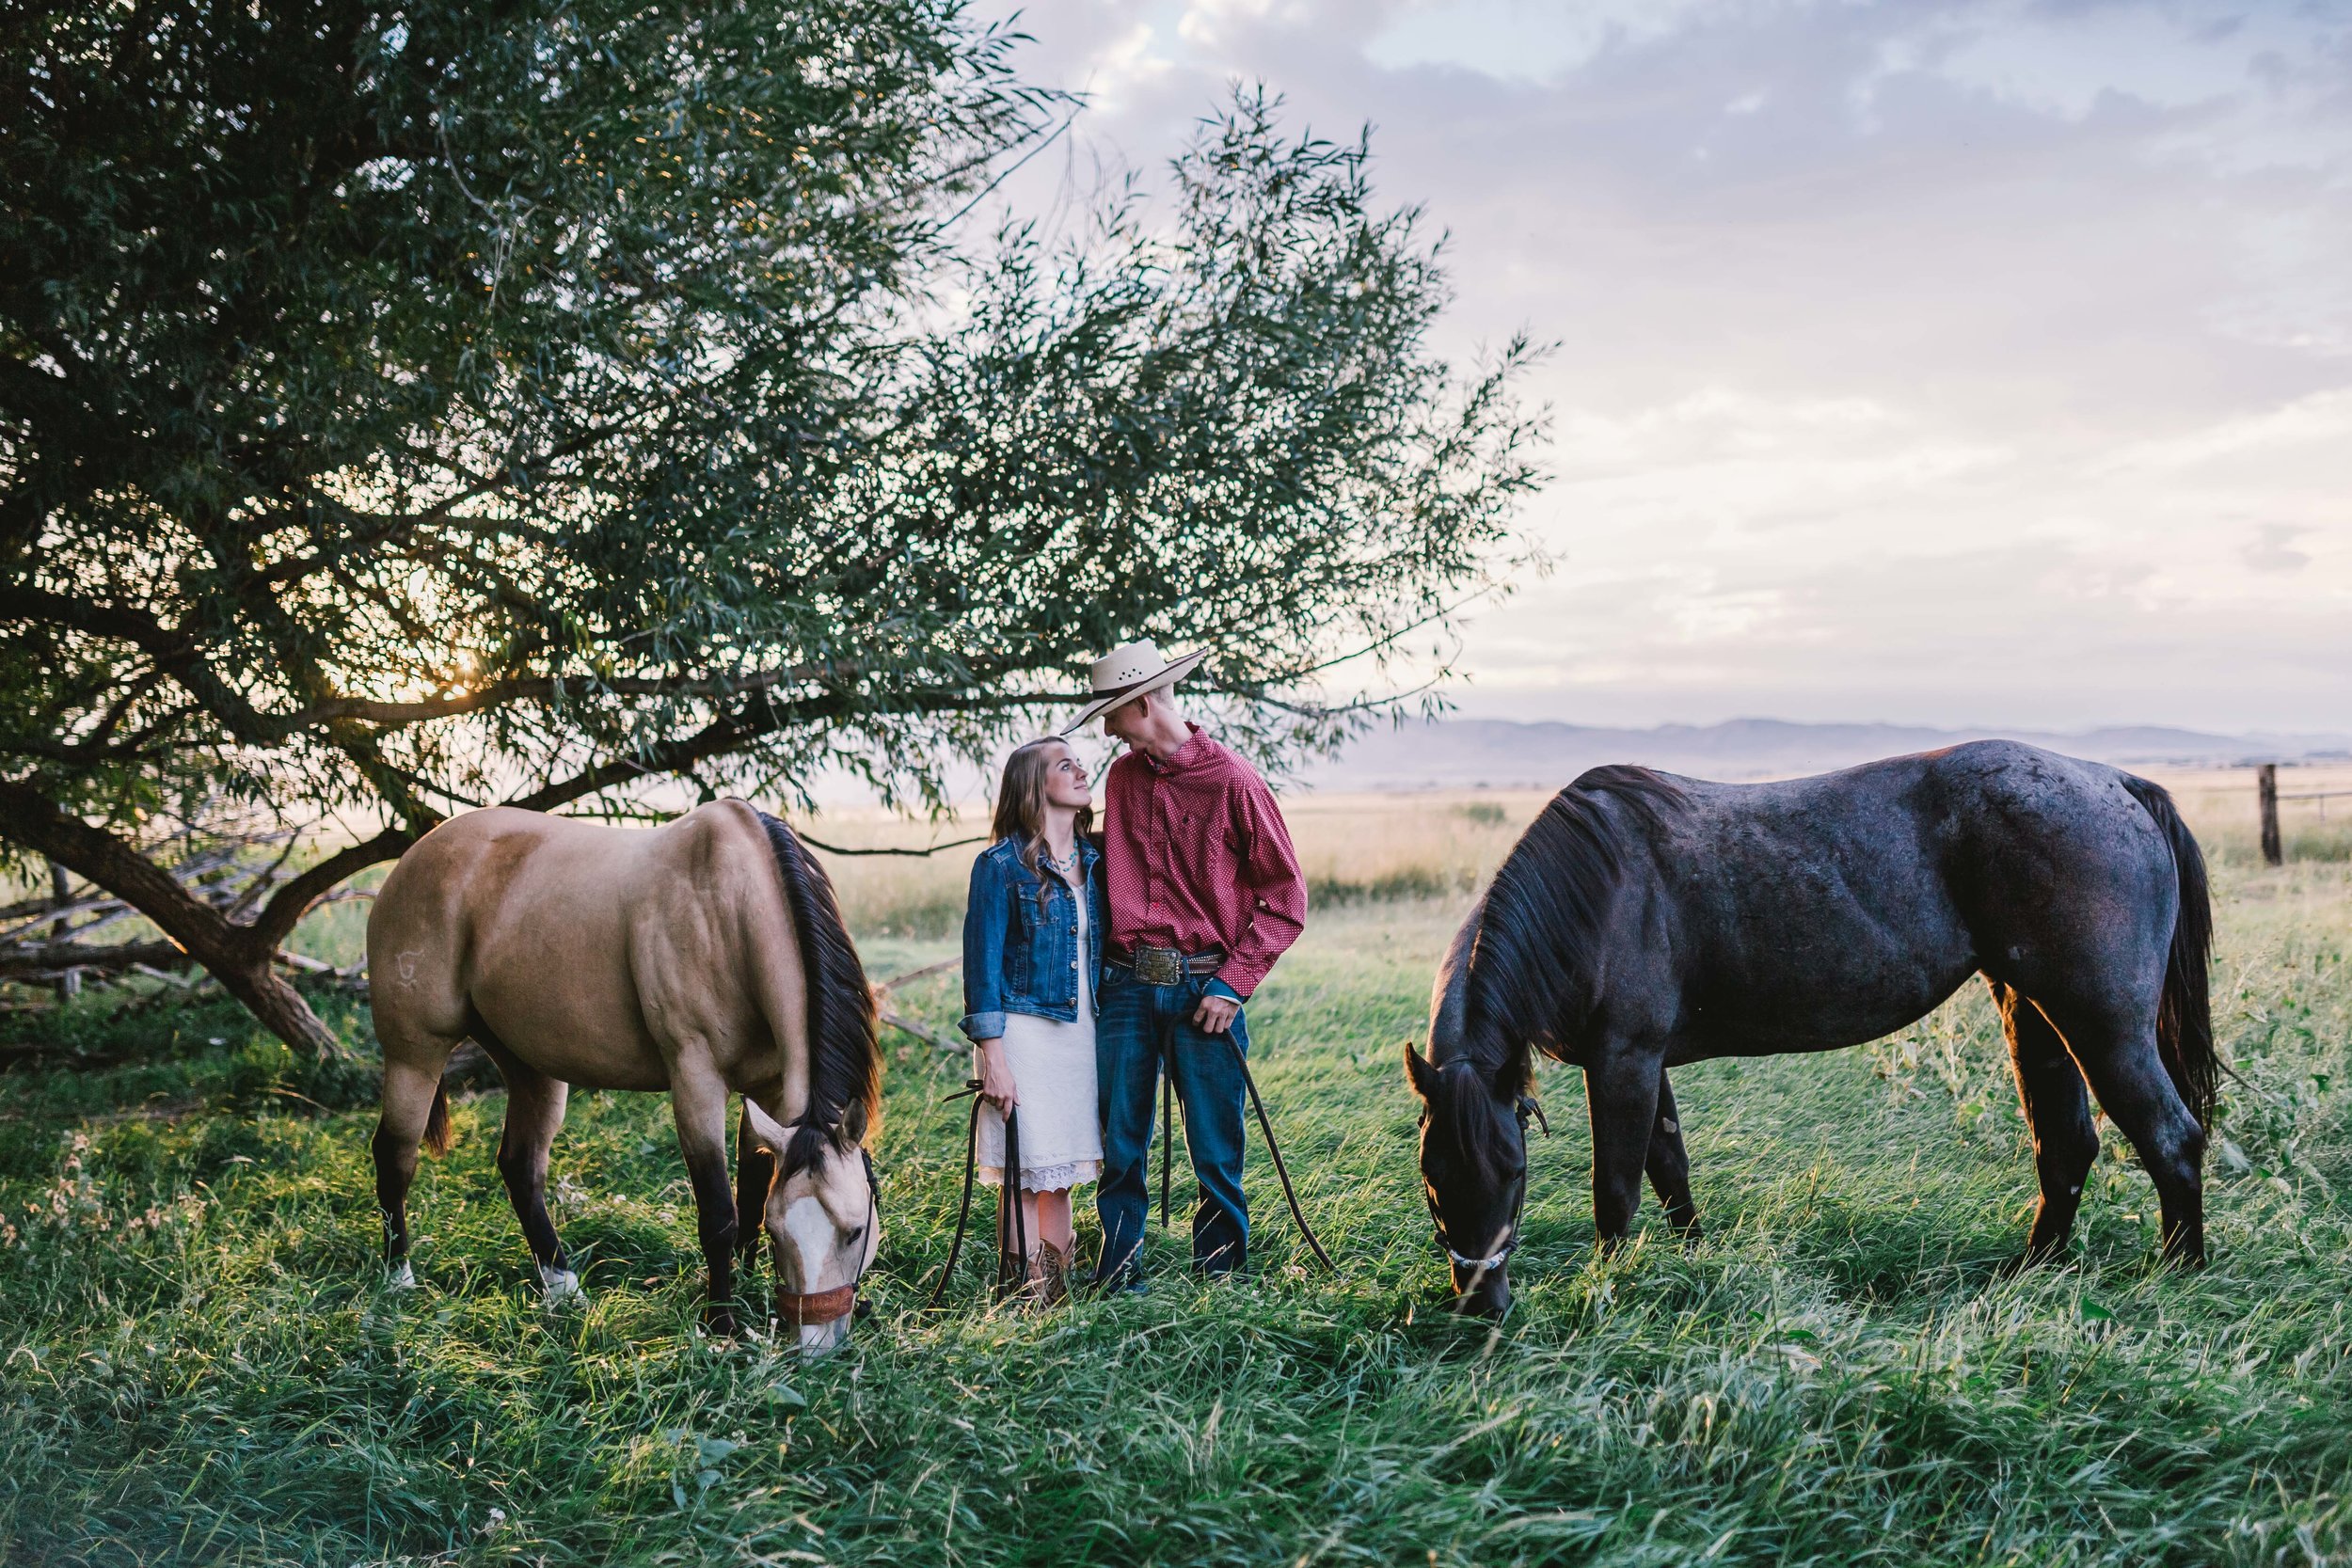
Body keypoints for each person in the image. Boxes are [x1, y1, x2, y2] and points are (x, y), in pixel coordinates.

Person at [1064, 641, 1308, 1291]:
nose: (1107, 727)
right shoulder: (1121, 778)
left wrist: (1234, 983)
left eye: (1112, 715)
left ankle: (1221, 1279)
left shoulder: (1235, 782)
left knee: (1216, 1148)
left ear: (1142, 705)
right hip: (1125, 986)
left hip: (1207, 987)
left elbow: (1285, 899)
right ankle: (1118, 1273)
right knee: (1120, 1144)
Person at [957, 736, 1105, 1307]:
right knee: (1023, 1170)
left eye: (1078, 762)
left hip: (1080, 1032)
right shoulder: (997, 867)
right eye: (1064, 765)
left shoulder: (1095, 861)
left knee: (1059, 1170)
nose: (1080, 769)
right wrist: (993, 1059)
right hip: (1019, 1036)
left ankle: (1058, 1295)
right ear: (1033, 785)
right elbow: (982, 967)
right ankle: (1023, 1298)